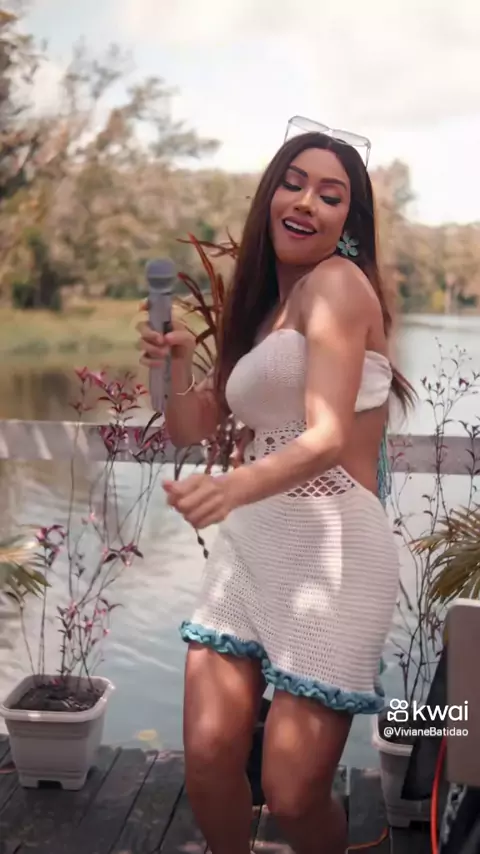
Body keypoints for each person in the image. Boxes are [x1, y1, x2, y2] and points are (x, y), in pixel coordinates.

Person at [136, 129, 414, 854]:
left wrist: (232, 488)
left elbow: (325, 437)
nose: (306, 201)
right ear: (270, 198)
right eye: (294, 182)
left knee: (292, 792)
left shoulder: (340, 286)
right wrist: (173, 365)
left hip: (336, 555)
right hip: (251, 548)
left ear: (348, 222)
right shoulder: (261, 314)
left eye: (331, 194)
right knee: (207, 758)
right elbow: (188, 427)